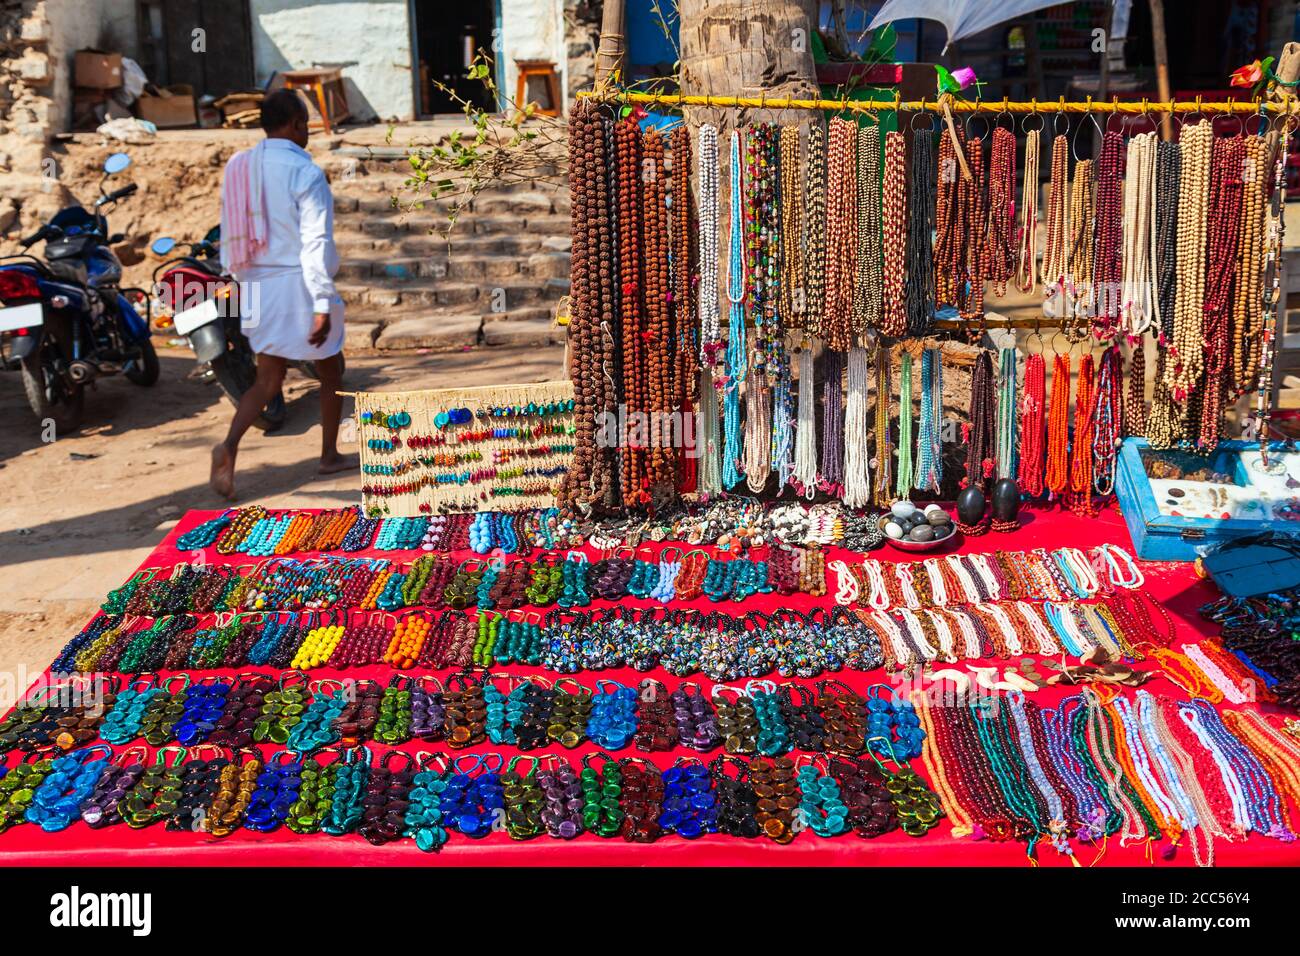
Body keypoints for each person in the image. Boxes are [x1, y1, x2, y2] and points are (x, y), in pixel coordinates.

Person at [209, 89, 352, 499]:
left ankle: (230, 445)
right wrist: (322, 302)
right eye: (305, 123)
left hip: (253, 283)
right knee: (330, 370)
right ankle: (328, 456)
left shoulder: (240, 166)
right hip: (297, 284)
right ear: (295, 125)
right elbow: (315, 241)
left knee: (268, 378)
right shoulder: (305, 173)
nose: (307, 131)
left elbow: (228, 225)